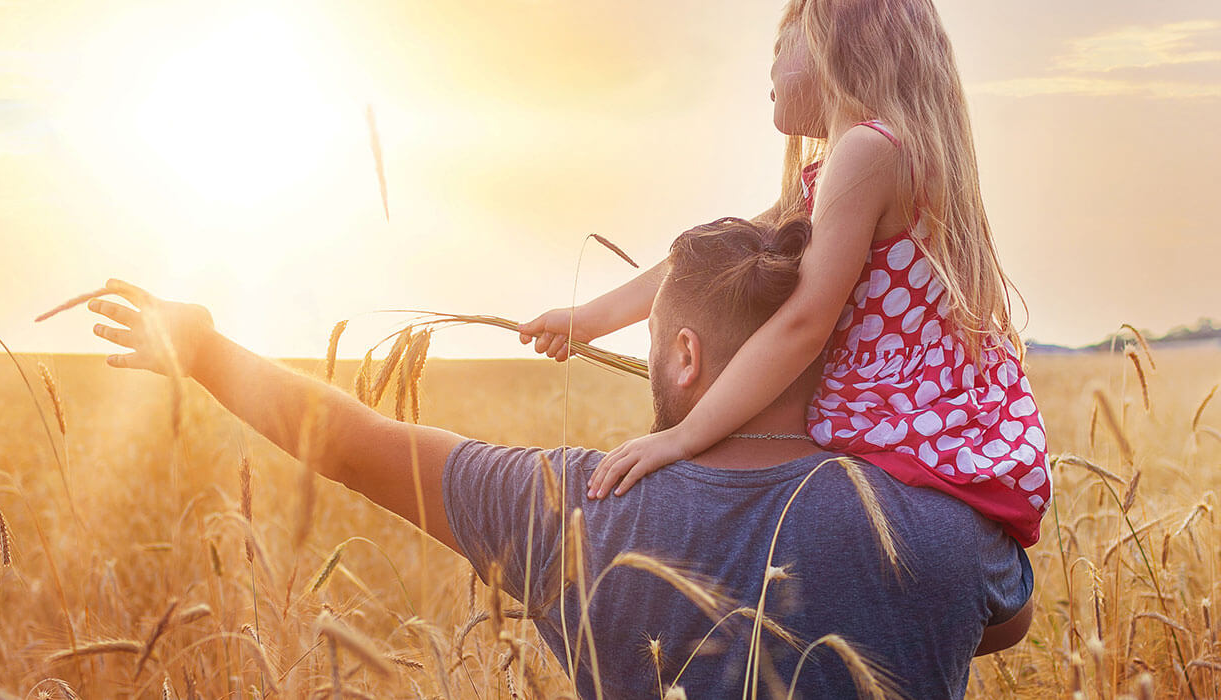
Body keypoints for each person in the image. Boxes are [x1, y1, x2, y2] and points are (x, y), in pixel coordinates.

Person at [83, 216, 1033, 698]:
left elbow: (354, 442)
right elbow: (1000, 626)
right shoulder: (943, 525)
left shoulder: (582, 506)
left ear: (686, 356)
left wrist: (203, 352)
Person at [518, 0, 1050, 548]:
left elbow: (805, 323)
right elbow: (696, 267)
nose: (770, 69)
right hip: (934, 410)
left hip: (896, 416)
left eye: (781, 46)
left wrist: (682, 437)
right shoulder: (857, 161)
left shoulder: (867, 150)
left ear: (835, 44)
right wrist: (587, 319)